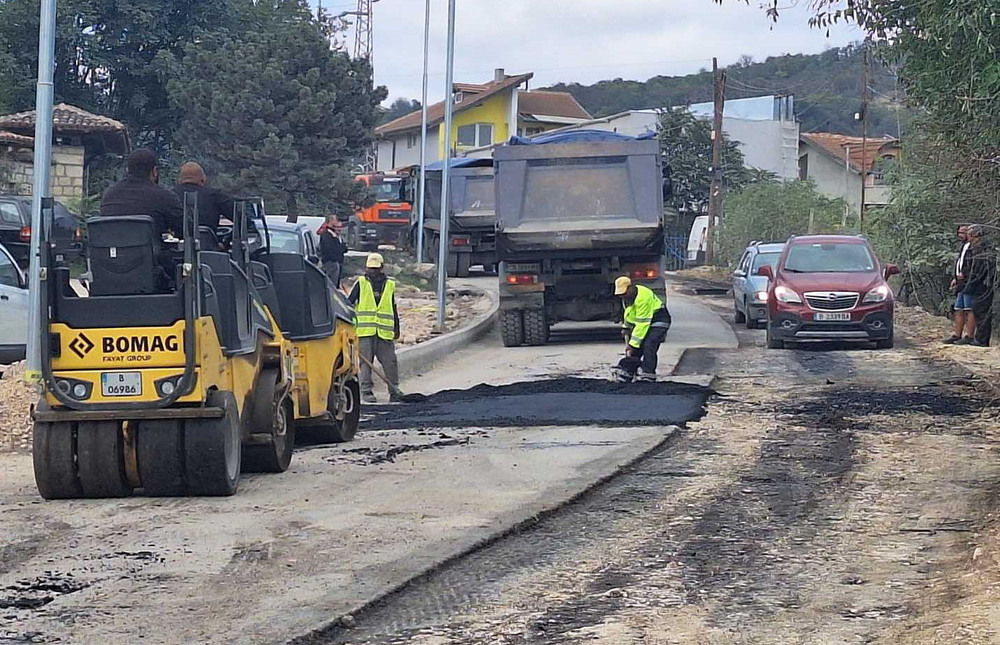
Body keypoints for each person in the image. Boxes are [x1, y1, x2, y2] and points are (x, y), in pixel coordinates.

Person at [348, 253, 401, 403]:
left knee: (390, 361)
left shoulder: (389, 285)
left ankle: (394, 390)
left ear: (381, 268)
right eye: (370, 268)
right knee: (366, 363)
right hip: (365, 332)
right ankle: (366, 391)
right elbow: (349, 304)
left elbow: (392, 307)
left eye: (375, 268)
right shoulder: (361, 283)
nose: (372, 271)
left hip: (384, 332)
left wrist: (396, 327)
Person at [100, 149, 182, 238]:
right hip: (150, 247)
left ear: (127, 170)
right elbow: (184, 230)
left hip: (112, 246)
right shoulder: (165, 196)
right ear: (155, 171)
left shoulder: (108, 195)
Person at [614, 276, 671, 382]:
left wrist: (632, 345)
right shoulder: (627, 298)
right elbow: (629, 314)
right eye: (620, 295)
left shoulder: (643, 297)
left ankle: (648, 374)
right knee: (637, 346)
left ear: (630, 288)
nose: (622, 296)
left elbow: (642, 324)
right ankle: (629, 372)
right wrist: (626, 327)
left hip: (658, 319)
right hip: (646, 321)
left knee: (649, 344)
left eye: (624, 293)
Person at [172, 162, 234, 233]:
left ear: (180, 180)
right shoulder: (215, 195)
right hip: (208, 239)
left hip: (175, 239)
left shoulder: (169, 196)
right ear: (203, 180)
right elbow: (239, 218)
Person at [963, 225, 996, 347]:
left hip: (984, 285)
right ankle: (980, 338)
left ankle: (982, 340)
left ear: (975, 235)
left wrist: (972, 282)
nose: (968, 237)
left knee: (982, 312)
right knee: (978, 311)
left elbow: (979, 270)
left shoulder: (983, 249)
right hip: (979, 284)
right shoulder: (976, 248)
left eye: (969, 235)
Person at [945, 225, 975, 344]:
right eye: (959, 233)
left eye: (963, 232)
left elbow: (972, 265)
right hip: (960, 282)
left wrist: (965, 273)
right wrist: (955, 277)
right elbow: (960, 263)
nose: (960, 235)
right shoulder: (963, 246)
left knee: (969, 309)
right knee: (958, 308)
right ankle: (957, 335)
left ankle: (969, 336)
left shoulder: (973, 247)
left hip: (969, 282)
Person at [318, 216, 347, 288]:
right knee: (332, 285)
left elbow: (345, 248)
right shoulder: (327, 236)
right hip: (331, 263)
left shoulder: (336, 236)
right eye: (336, 226)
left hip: (337, 263)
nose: (339, 229)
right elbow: (331, 250)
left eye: (340, 227)